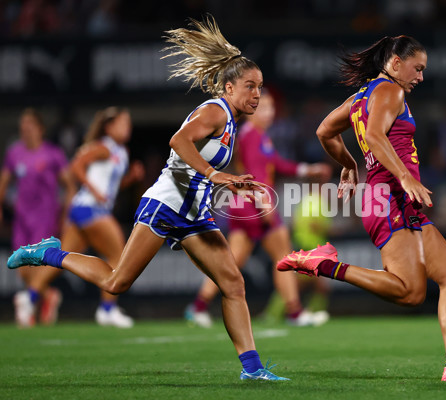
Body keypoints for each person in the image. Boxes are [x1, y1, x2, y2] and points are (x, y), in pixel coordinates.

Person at [7, 16, 288, 381]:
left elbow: (194, 163)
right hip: (166, 205)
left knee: (233, 283)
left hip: (194, 214)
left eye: (260, 88)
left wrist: (225, 182)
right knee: (116, 282)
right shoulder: (215, 111)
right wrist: (217, 174)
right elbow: (178, 142)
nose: (257, 95)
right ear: (229, 86)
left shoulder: (232, 122)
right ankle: (48, 253)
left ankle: (252, 369)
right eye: (250, 87)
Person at [277, 35, 446, 381]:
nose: (421, 77)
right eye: (418, 68)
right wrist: (405, 178)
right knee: (410, 293)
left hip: (396, 198)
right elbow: (377, 136)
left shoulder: (360, 97)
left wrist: (348, 164)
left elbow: (325, 131)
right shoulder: (390, 91)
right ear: (396, 63)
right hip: (388, 196)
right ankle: (326, 266)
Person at [185, 91, 331, 328]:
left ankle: (198, 307)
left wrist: (308, 169)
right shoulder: (252, 136)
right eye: (263, 108)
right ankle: (295, 312)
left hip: (243, 207)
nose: (269, 113)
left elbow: (278, 163)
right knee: (283, 257)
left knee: (231, 263)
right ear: (251, 111)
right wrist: (264, 204)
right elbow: (254, 173)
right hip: (254, 207)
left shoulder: (257, 136)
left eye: (271, 108)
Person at [26, 107, 145, 328]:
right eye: (122, 123)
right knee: (118, 254)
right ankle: (107, 309)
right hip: (90, 208)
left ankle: (29, 298)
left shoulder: (121, 152)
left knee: (61, 258)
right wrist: (93, 190)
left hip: (83, 209)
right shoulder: (104, 147)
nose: (127, 127)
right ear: (109, 127)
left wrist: (130, 179)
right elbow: (76, 166)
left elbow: (111, 187)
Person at [0, 108, 76, 328]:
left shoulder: (52, 154)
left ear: (40, 128)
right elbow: (5, 180)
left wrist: (66, 214)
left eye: (30, 124)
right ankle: (48, 296)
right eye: (23, 125)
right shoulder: (15, 153)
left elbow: (69, 186)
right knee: (22, 268)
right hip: (22, 219)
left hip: (45, 218)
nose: (25, 128)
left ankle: (32, 304)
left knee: (36, 265)